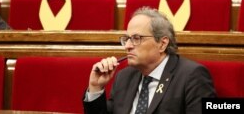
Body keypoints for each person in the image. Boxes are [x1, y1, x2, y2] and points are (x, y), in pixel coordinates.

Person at [83, 7, 216, 114]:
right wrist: (95, 87)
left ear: (162, 44)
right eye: (127, 39)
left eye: (136, 38)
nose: (128, 46)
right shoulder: (124, 77)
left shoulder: (192, 76)